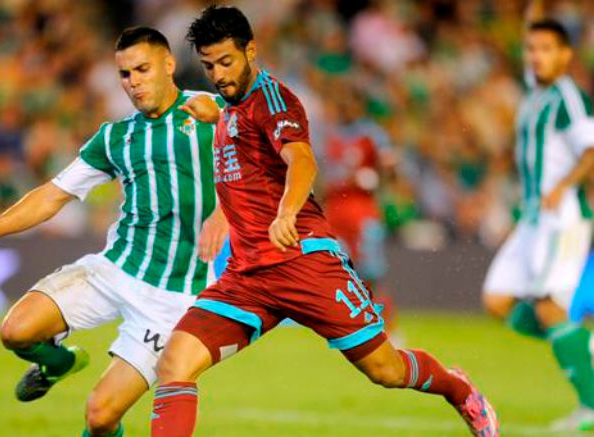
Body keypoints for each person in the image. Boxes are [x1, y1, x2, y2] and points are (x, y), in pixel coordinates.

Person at [149, 6, 499, 437]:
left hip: (303, 262)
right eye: (208, 66)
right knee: (175, 363)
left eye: (226, 62)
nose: (218, 75)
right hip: (247, 275)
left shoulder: (275, 100)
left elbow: (301, 160)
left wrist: (286, 212)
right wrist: (217, 116)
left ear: (251, 50)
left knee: (385, 368)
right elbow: (246, 150)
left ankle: (458, 389)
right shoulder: (229, 108)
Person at [0, 27, 228, 437]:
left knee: (100, 417)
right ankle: (61, 363)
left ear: (169, 65)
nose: (134, 82)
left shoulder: (215, 111)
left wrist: (226, 212)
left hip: (172, 297)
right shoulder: (116, 137)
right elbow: (52, 195)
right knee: (15, 331)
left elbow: (267, 162)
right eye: (125, 74)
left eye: (142, 69)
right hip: (113, 268)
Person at [482, 1, 594, 431]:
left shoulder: (568, 97)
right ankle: (583, 344)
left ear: (566, 55)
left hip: (562, 217)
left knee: (548, 306)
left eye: (546, 49)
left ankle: (590, 405)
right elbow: (533, 36)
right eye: (531, 49)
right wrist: (534, 13)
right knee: (497, 302)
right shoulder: (537, 89)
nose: (536, 56)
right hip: (532, 219)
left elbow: (590, 149)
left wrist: (563, 187)